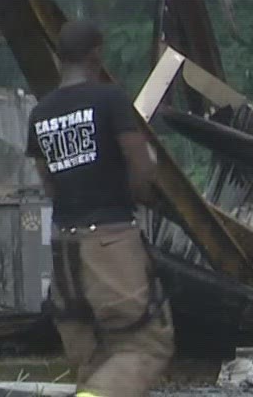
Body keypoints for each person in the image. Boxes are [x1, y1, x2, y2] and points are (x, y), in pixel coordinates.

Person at [26, 20, 174, 397]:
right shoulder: (110, 99)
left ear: (60, 59)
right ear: (96, 54)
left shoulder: (40, 114)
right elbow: (141, 168)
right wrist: (146, 181)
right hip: (110, 242)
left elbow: (49, 183)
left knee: (91, 356)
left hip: (64, 248)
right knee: (144, 345)